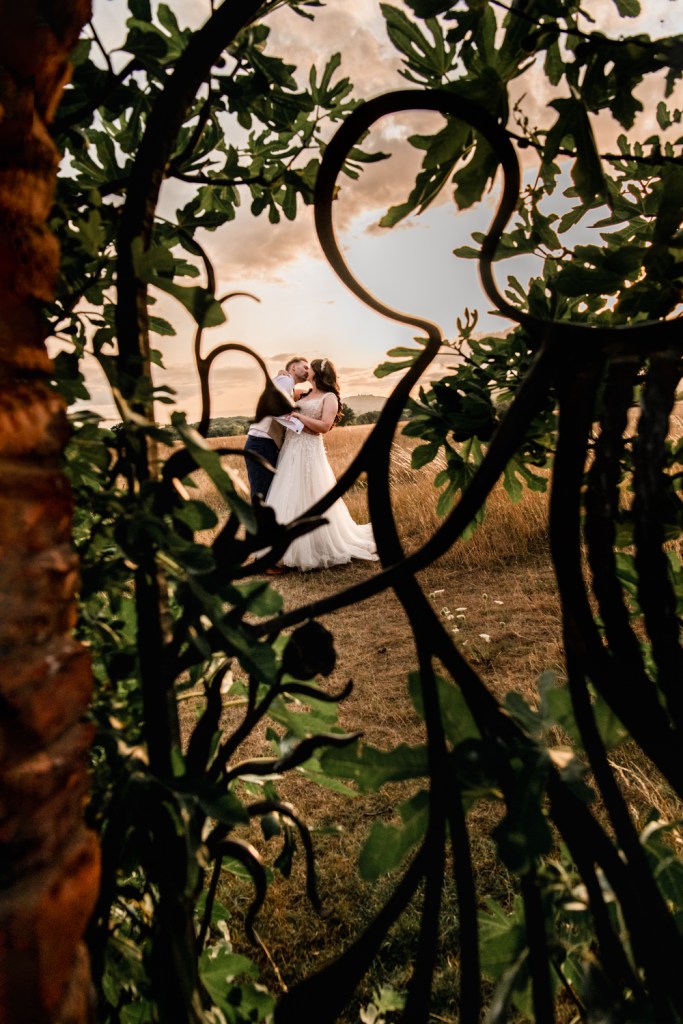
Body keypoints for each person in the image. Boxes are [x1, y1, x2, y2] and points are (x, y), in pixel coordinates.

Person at [264, 357, 378, 572]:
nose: (306, 371)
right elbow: (279, 398)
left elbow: (324, 426)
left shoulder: (330, 397)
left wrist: (298, 416)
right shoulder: (302, 394)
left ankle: (315, 546)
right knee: (289, 492)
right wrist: (283, 376)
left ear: (317, 372)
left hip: (310, 450)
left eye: (310, 368)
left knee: (312, 492)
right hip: (291, 449)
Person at [244, 356, 309, 499]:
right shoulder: (285, 380)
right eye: (305, 367)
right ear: (293, 368)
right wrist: (301, 426)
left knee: (267, 494)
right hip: (261, 443)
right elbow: (274, 407)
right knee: (261, 495)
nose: (307, 371)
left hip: (265, 443)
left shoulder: (288, 385)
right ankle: (257, 522)